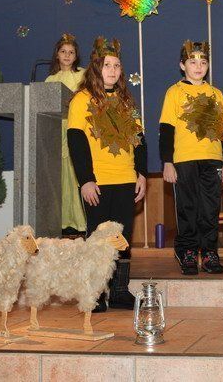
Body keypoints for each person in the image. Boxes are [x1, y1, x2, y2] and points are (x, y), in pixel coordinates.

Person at [67, 36, 147, 312]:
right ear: (96, 68)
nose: (112, 70)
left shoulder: (126, 102)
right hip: (98, 182)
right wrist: (86, 180)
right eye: (107, 65)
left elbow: (139, 140)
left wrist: (141, 174)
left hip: (126, 180)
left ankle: (121, 290)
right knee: (98, 240)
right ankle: (97, 293)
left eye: (117, 65)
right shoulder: (82, 99)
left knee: (122, 238)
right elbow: (76, 142)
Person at [159, 40, 223, 275]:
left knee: (210, 209)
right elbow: (166, 129)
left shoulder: (216, 94)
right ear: (182, 65)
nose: (198, 67)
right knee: (187, 208)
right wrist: (167, 162)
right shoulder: (174, 92)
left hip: (213, 159)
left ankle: (209, 252)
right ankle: (188, 251)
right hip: (184, 160)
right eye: (192, 62)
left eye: (203, 62)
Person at [45, 33, 87, 236]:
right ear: (57, 55)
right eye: (63, 51)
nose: (67, 55)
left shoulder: (83, 75)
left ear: (76, 56)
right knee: (61, 175)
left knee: (77, 171)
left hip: (77, 127)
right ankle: (63, 221)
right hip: (57, 130)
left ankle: (82, 221)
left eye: (71, 52)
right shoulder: (50, 80)